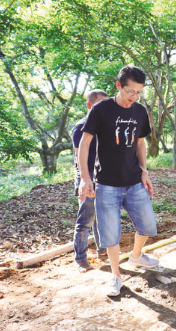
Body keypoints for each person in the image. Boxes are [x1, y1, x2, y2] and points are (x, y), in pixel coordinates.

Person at [78, 65, 159, 296]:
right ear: (118, 86)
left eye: (138, 93)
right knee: (110, 233)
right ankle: (116, 276)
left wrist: (144, 170)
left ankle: (136, 256)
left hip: (134, 180)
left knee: (148, 225)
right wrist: (85, 178)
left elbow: (140, 143)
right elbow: (84, 143)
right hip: (107, 183)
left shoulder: (140, 111)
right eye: (129, 91)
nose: (133, 97)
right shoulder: (101, 109)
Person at [72, 89, 108, 273]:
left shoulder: (102, 126)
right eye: (99, 105)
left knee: (100, 217)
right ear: (89, 105)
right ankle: (81, 259)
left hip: (101, 178)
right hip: (87, 179)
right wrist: (85, 180)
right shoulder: (81, 127)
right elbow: (79, 156)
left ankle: (102, 251)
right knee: (85, 219)